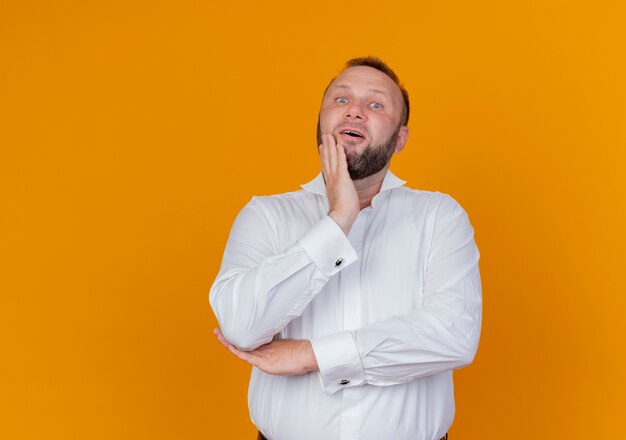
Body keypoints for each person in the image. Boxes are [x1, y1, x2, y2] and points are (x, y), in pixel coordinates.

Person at [209, 57, 482, 440]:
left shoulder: (439, 217)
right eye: (341, 100)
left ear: (400, 138)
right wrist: (337, 221)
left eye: (375, 105)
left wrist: (311, 355)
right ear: (320, 121)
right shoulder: (266, 215)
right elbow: (240, 325)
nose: (354, 110)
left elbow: (453, 335)